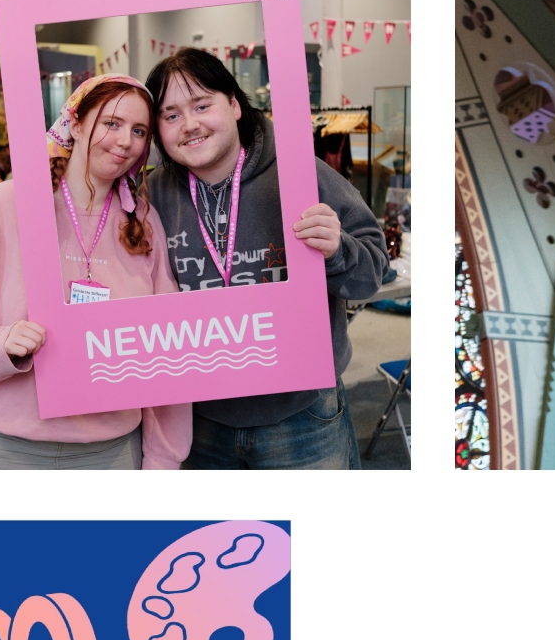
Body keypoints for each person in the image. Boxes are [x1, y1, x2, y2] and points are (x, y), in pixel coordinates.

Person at [0, 74, 191, 469]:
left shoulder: (144, 222)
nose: (124, 142)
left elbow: (165, 348)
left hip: (107, 454)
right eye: (111, 123)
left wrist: (164, 459)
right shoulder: (7, 204)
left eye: (139, 130)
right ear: (77, 122)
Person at [141, 49, 389, 469]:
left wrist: (337, 249)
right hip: (198, 418)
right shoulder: (153, 196)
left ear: (235, 105)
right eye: (171, 115)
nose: (191, 124)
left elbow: (371, 274)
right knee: (217, 537)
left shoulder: (300, 175)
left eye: (202, 105)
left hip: (301, 414)